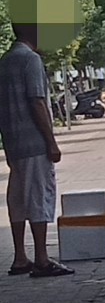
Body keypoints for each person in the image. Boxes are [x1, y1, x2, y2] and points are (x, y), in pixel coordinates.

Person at [0, 21, 72, 278]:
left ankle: (20, 257)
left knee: (18, 200)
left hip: (13, 143)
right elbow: (37, 102)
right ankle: (42, 258)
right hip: (34, 143)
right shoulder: (30, 60)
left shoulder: (5, 61)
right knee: (40, 197)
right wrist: (51, 141)